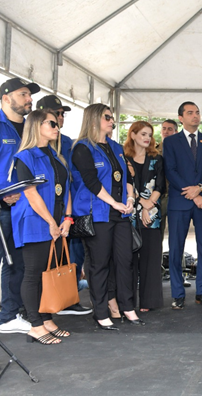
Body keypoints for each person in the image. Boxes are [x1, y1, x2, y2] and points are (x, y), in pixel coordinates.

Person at [71, 104, 143, 330]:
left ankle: (127, 307)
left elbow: (127, 178)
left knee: (125, 260)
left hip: (120, 214)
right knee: (99, 264)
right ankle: (101, 312)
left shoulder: (116, 147)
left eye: (112, 118)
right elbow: (91, 182)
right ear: (94, 120)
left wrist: (130, 200)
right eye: (107, 117)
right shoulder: (82, 148)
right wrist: (115, 203)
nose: (112, 121)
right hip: (97, 214)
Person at [11, 109, 72, 344]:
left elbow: (66, 189)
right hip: (36, 222)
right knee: (33, 274)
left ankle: (46, 318)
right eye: (52, 124)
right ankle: (35, 325)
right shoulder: (25, 157)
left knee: (48, 274)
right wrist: (51, 222)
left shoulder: (57, 157)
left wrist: (67, 219)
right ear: (37, 125)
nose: (57, 128)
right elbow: (31, 194)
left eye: (57, 124)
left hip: (57, 223)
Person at [0, 78, 40, 335]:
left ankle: (9, 316)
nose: (29, 99)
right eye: (23, 94)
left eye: (29, 95)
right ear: (6, 97)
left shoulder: (32, 128)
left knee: (17, 265)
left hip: (26, 209)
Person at [35, 94, 91, 315]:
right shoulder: (30, 144)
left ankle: (69, 298)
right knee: (40, 261)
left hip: (70, 208)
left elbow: (76, 176)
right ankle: (39, 306)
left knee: (74, 255)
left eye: (62, 114)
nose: (60, 118)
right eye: (55, 114)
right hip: (42, 208)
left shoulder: (68, 142)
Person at [163, 102, 202, 309]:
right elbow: (171, 171)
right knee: (176, 248)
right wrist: (194, 194)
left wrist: (201, 188)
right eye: (190, 113)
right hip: (181, 201)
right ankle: (177, 293)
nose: (195, 116)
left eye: (197, 113)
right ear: (180, 118)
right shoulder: (171, 142)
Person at [124, 121, 165, 312]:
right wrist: (142, 204)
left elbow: (160, 186)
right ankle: (128, 302)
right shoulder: (123, 159)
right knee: (128, 260)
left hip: (152, 215)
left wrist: (149, 206)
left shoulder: (157, 159)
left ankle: (149, 301)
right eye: (143, 134)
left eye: (149, 134)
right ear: (132, 135)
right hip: (129, 215)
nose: (147, 138)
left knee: (151, 258)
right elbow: (123, 186)